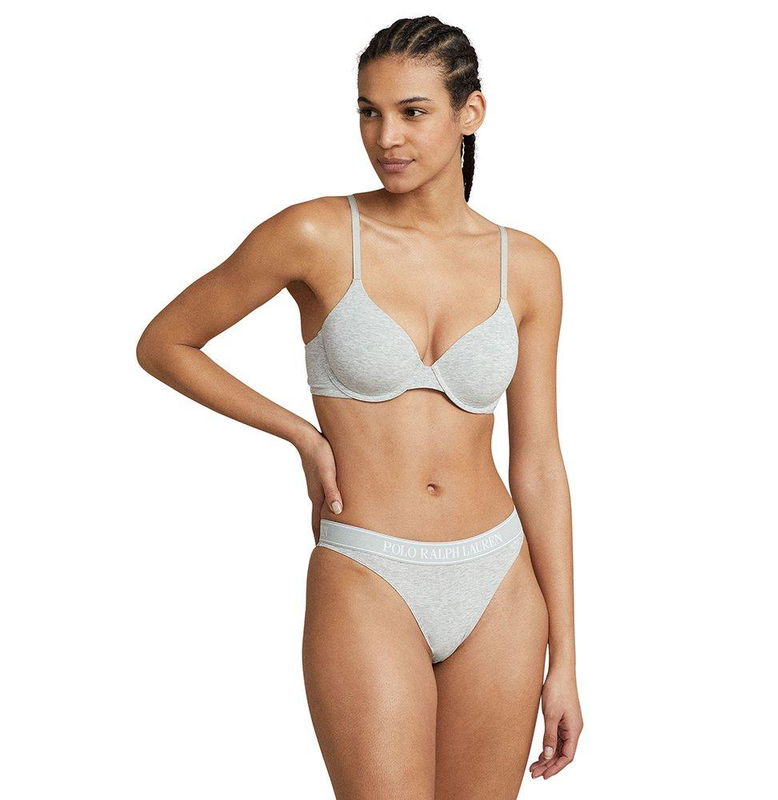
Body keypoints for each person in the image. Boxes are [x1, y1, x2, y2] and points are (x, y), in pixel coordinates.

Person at [136, 15, 582, 800]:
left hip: (501, 580)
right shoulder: (314, 233)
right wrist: (302, 437)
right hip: (368, 569)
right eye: (368, 112)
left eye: (412, 111)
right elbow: (166, 342)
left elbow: (539, 462)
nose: (386, 137)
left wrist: (567, 657)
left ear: (470, 113)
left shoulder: (530, 266)